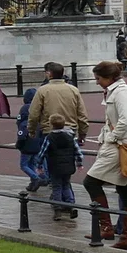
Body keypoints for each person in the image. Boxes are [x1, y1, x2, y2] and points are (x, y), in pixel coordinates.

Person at [84, 61, 127, 249]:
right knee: (125, 189)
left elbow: (126, 120)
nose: (96, 82)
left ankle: (111, 229)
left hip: (120, 145)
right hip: (120, 143)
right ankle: (124, 237)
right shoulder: (116, 91)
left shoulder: (122, 93)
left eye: (98, 78)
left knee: (91, 182)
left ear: (109, 77)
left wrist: (111, 137)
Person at [30, 62, 87, 220]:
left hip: (50, 132)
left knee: (54, 170)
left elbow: (34, 114)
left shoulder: (43, 90)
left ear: (49, 74)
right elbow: (82, 114)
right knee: (66, 172)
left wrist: (31, 130)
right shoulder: (73, 90)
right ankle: (68, 202)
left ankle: (58, 203)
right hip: (71, 133)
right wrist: (83, 133)